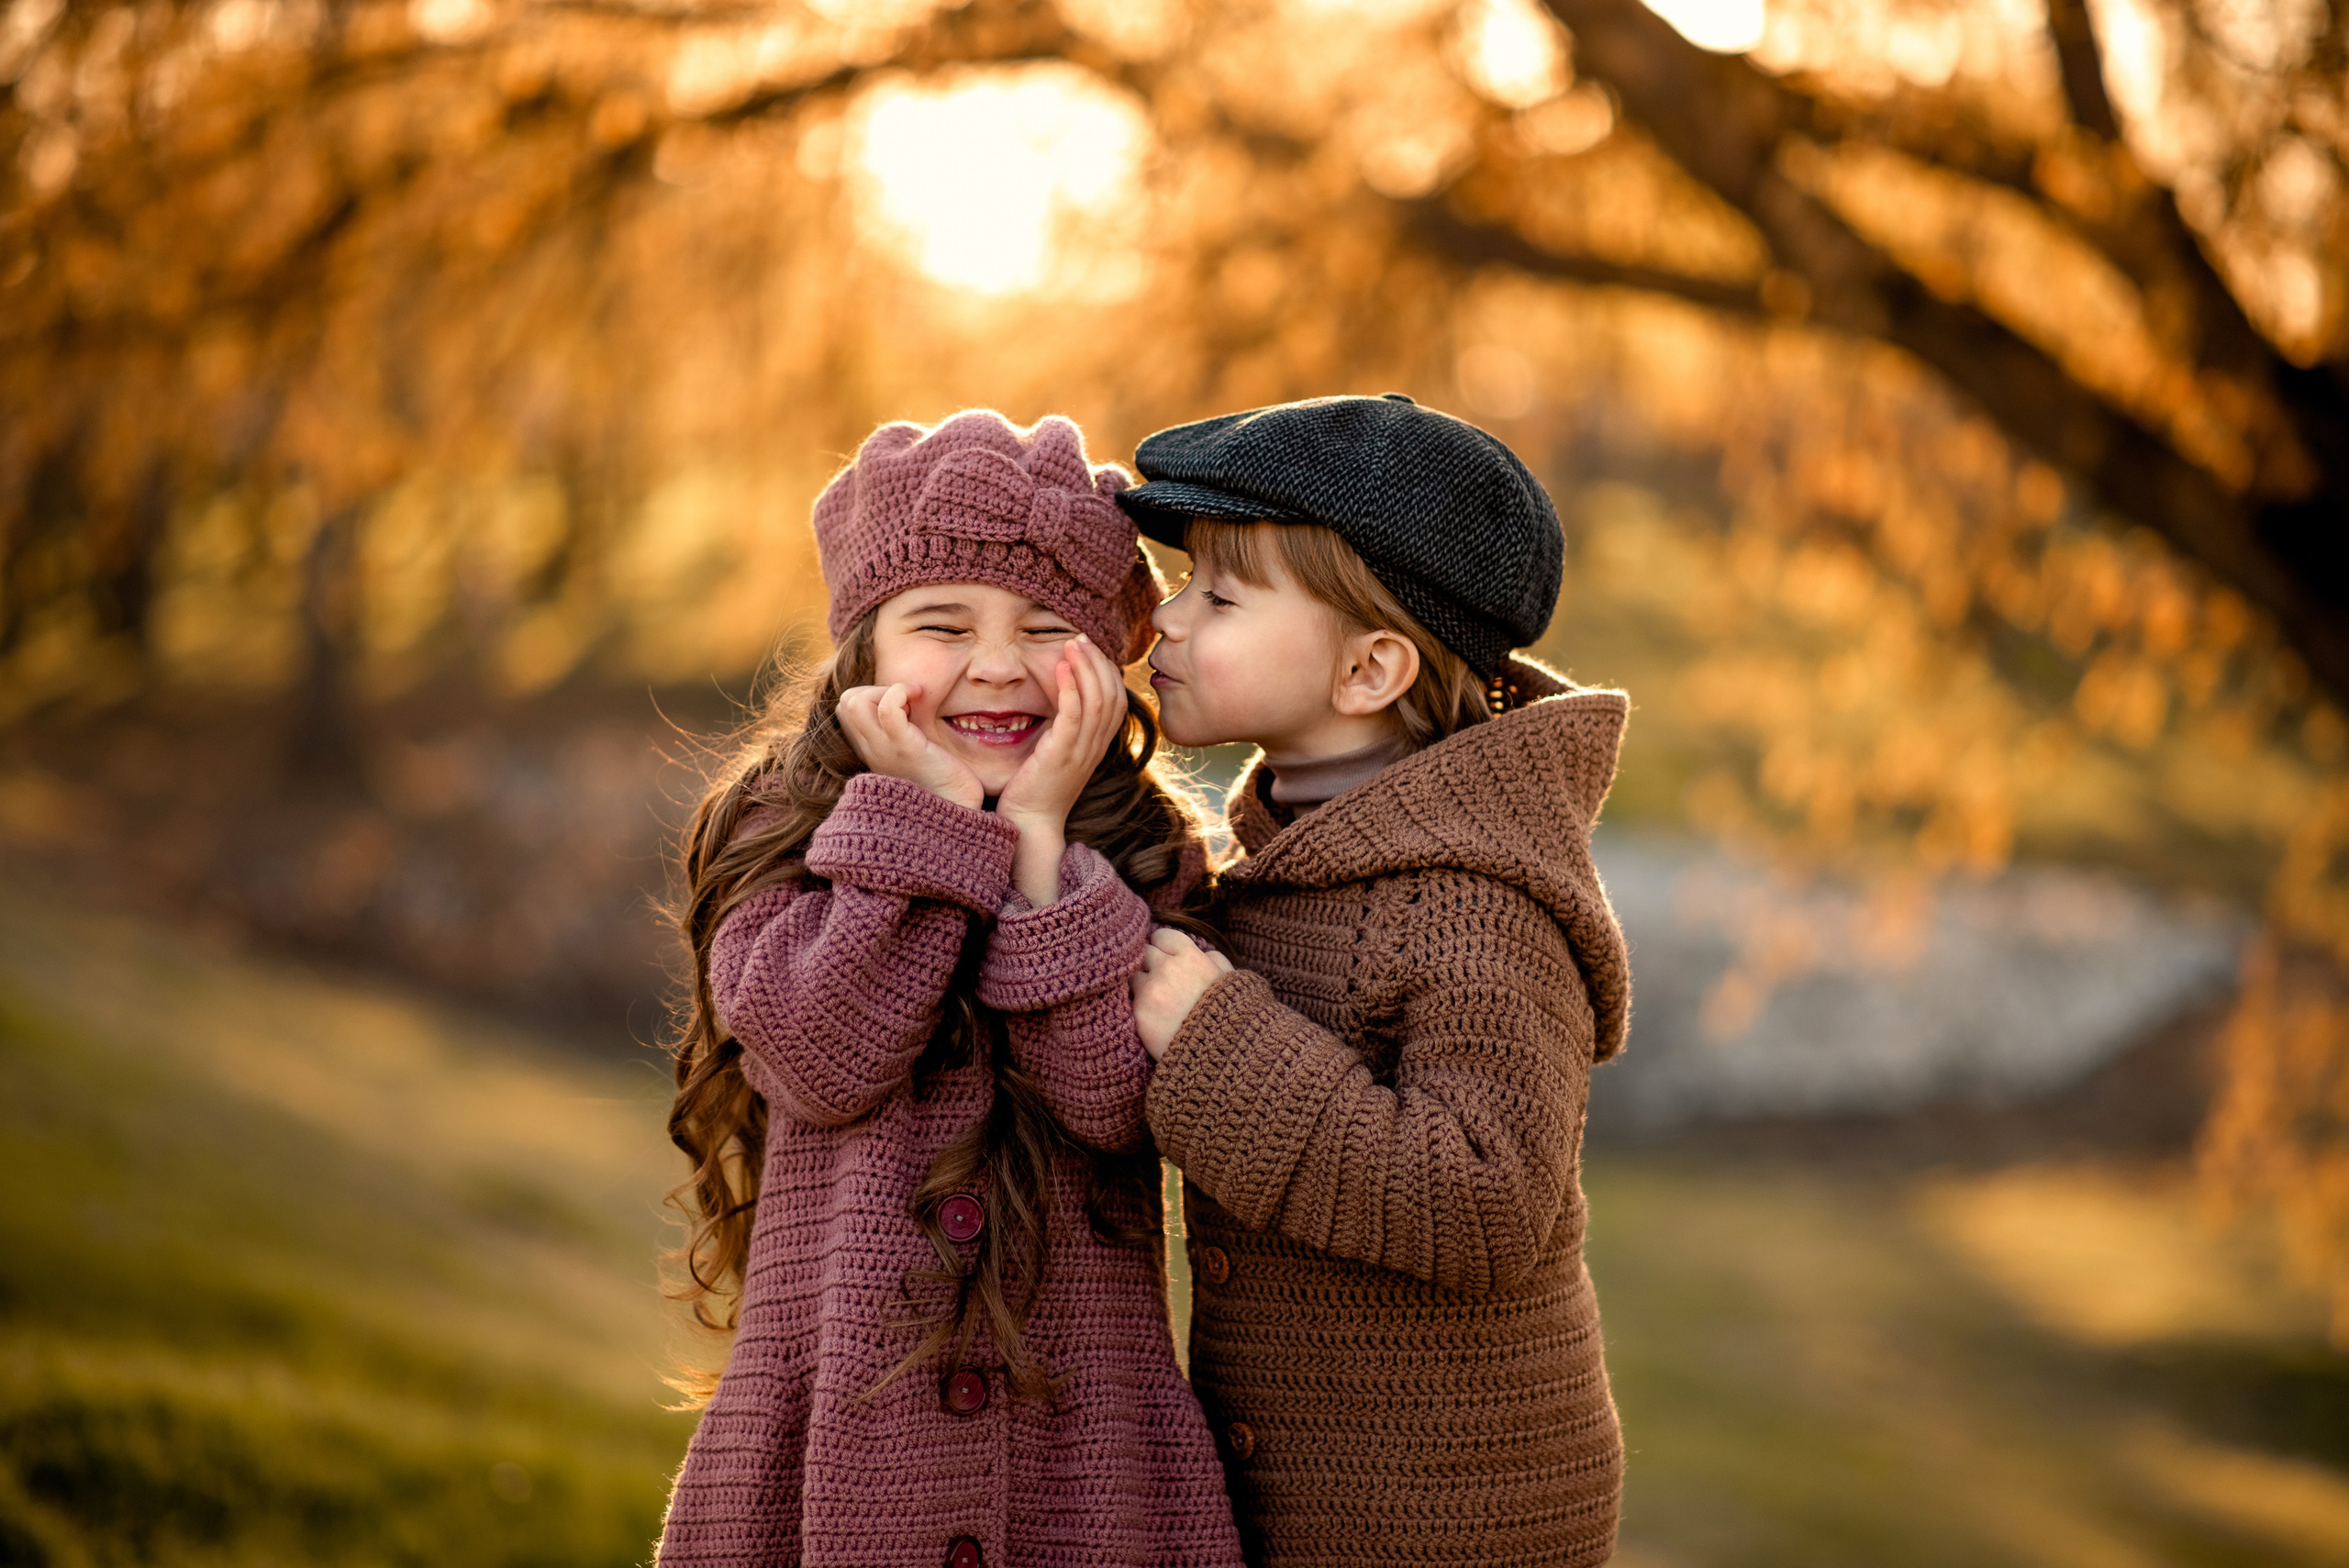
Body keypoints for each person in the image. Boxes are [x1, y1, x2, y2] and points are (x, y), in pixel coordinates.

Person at [657, 410, 1244, 1568]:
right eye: (942, 623)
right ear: (863, 654)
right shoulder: (784, 833)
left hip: (1091, 1459)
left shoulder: (1146, 853)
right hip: (833, 1451)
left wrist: (1034, 844)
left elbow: (1115, 1101)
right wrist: (921, 828)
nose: (995, 664)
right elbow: (824, 1057)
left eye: (1044, 628)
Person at [1123, 394, 1632, 1568]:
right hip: (1305, 1494)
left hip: (1455, 1515)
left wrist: (1215, 1040)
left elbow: (1486, 1200)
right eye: (1179, 581)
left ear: (1369, 669)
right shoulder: (1290, 860)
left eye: (1218, 596)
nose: (1167, 620)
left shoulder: (1476, 901)